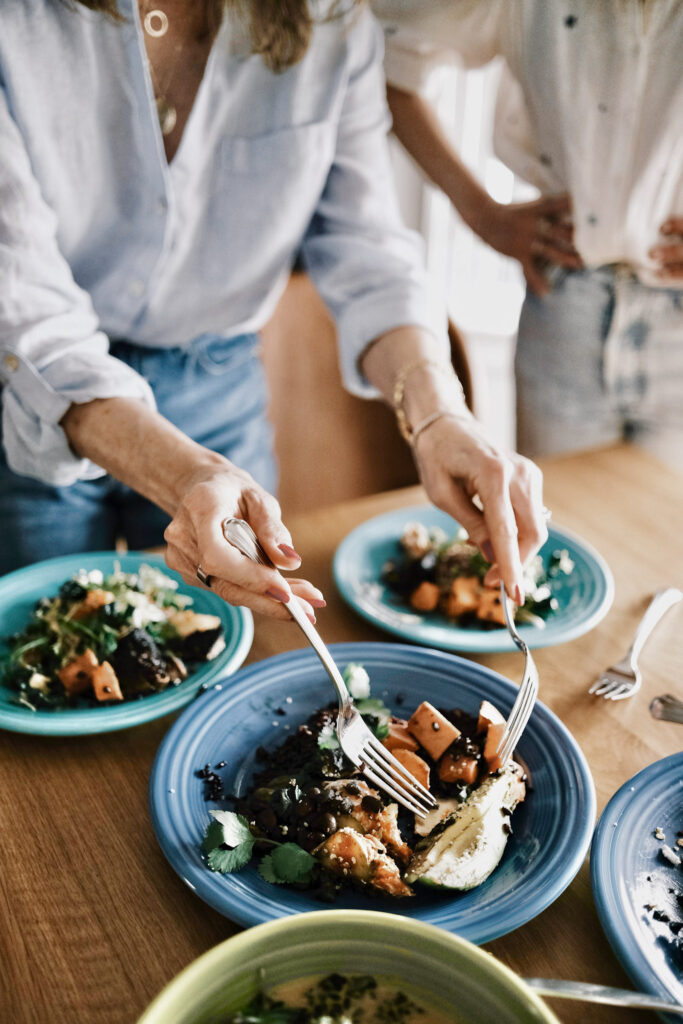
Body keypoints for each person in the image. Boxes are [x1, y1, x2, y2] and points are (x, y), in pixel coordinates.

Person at [0, 0, 546, 617]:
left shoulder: (333, 20)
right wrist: (187, 474)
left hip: (218, 389)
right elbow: (27, 313)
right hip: (29, 405)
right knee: (40, 656)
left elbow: (367, 250)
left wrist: (440, 414)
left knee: (235, 645)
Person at [374, 0, 683, 469]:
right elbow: (383, 59)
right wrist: (480, 213)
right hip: (565, 297)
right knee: (560, 527)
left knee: (662, 537)